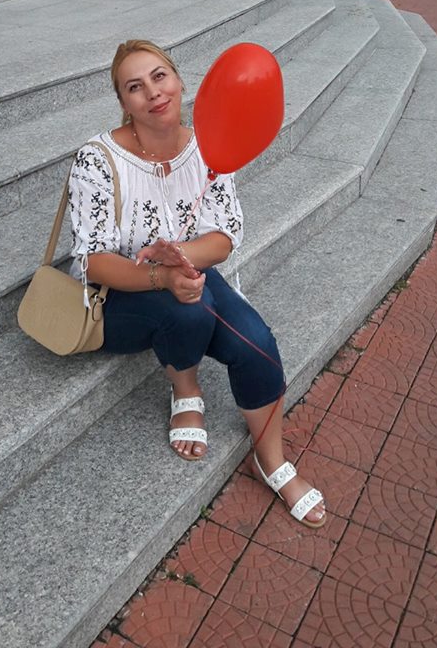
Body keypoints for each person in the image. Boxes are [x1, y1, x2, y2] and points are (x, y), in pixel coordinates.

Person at [67, 39, 327, 527]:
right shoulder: (97, 160)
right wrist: (162, 275)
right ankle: (185, 390)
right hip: (120, 293)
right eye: (135, 87)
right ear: (123, 103)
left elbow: (223, 238)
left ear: (180, 80)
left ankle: (270, 459)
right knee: (188, 307)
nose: (153, 92)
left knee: (257, 342)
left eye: (159, 76)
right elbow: (92, 261)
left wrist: (180, 259)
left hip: (188, 272)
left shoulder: (209, 144)